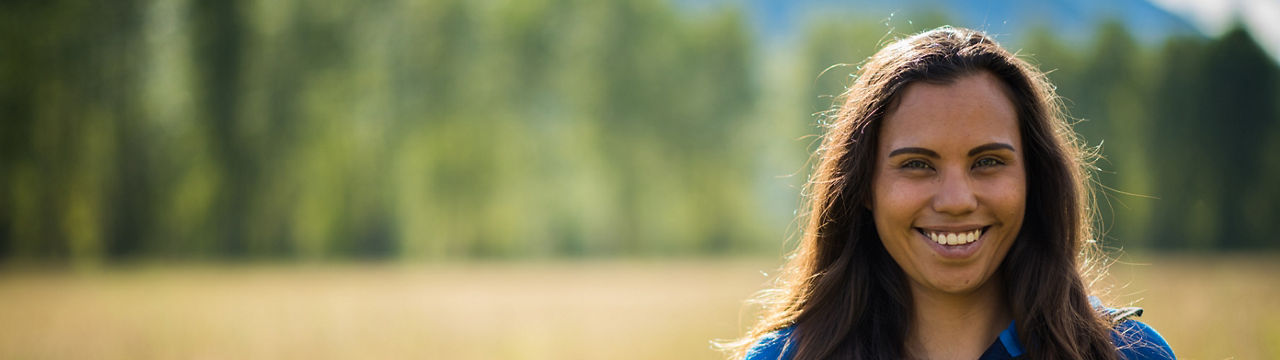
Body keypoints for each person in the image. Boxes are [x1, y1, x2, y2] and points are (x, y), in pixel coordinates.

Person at [724, 27, 1174, 359]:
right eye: (917, 165)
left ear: (1033, 178)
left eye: (988, 162)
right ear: (864, 186)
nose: (957, 200)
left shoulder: (1130, 354)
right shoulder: (783, 357)